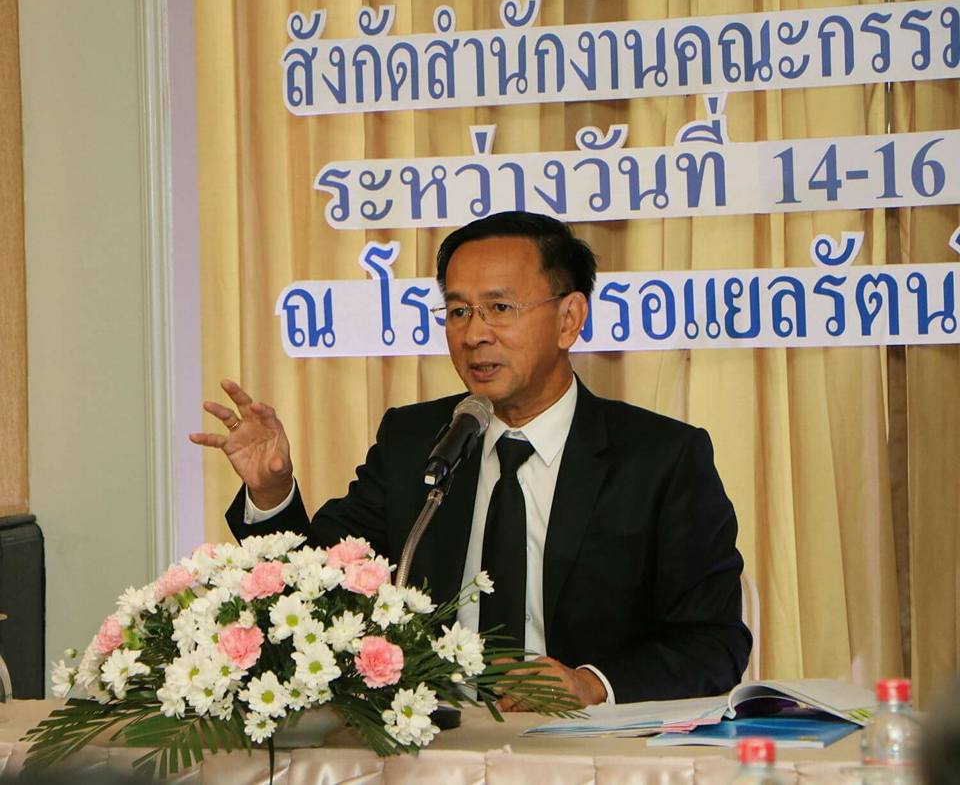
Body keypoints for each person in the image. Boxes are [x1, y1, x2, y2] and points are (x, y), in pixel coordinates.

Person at [191, 211, 751, 707]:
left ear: (569, 318)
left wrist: (590, 684)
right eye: (458, 311)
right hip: (432, 743)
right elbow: (317, 587)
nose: (474, 334)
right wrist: (272, 493)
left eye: (500, 308)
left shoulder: (660, 458)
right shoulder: (417, 442)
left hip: (585, 748)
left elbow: (713, 642)